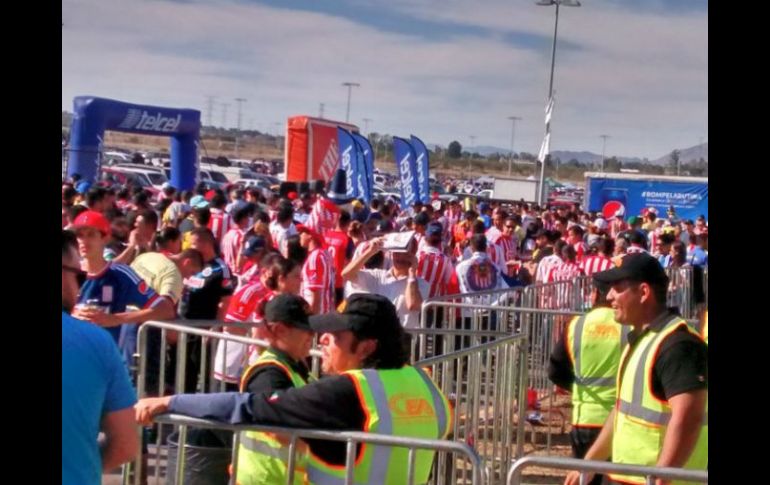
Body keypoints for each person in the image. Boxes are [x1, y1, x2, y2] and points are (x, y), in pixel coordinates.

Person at [135, 294, 453, 485]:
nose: (322, 339)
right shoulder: (427, 385)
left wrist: (170, 401)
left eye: (336, 336)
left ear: (367, 347)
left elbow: (244, 407)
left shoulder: (351, 391)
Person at [563, 253, 707, 485]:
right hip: (630, 478)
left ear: (643, 293)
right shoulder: (642, 339)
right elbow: (621, 411)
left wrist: (662, 476)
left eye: (617, 288)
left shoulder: (678, 345)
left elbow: (689, 416)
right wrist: (590, 464)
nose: (609, 296)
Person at [62, 230, 138, 485]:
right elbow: (126, 444)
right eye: (79, 276)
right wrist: (81, 465)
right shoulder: (97, 343)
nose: (81, 286)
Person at [549, 277, 629, 485]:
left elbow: (555, 370)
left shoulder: (576, 324)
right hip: (619, 418)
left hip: (584, 417)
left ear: (594, 295)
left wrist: (577, 387)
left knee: (584, 478)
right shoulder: (628, 326)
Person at [71, 211, 176, 363]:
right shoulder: (67, 272)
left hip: (106, 364)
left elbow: (165, 309)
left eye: (91, 235)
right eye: (80, 235)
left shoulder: (121, 275)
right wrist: (71, 315)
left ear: (105, 238)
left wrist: (115, 319)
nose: (83, 241)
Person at [235, 294, 315, 485]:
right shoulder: (267, 374)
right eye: (305, 329)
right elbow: (281, 425)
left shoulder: (297, 367)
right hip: (265, 479)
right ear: (280, 330)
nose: (312, 336)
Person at [342, 235, 429, 329]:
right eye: (397, 253)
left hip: (403, 337)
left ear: (413, 255)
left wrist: (412, 274)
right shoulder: (378, 276)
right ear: (392, 254)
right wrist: (370, 251)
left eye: (406, 253)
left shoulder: (421, 284)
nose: (400, 257)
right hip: (379, 335)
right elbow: (347, 274)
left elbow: (412, 304)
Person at [296, 224, 336, 315]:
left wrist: (312, 320)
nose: (300, 235)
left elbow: (316, 293)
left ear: (310, 235)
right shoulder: (325, 254)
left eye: (302, 232)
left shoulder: (315, 258)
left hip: (318, 314)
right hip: (326, 311)